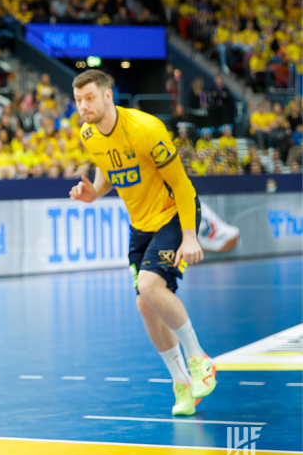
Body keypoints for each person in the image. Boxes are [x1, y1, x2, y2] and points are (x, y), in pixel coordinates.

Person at [69, 70, 216, 417]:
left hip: (172, 216)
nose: (82, 106)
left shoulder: (146, 129)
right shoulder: (88, 134)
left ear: (108, 96)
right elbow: (108, 171)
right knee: (145, 305)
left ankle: (199, 359)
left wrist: (191, 235)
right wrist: (94, 193)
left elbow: (182, 186)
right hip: (140, 225)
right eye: (77, 100)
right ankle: (182, 383)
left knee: (149, 285)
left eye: (89, 98)